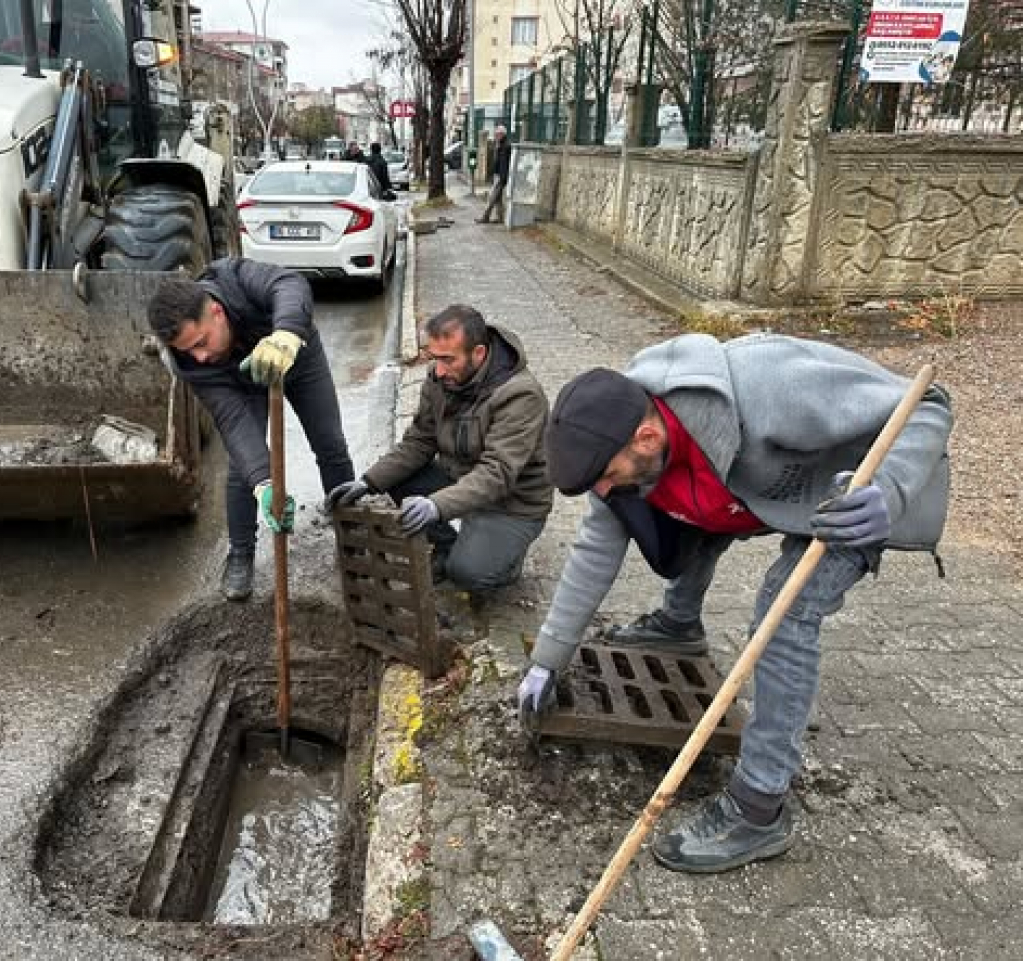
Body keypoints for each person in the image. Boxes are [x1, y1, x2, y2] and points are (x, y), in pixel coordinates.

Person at [518, 333, 952, 873]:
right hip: (757, 496)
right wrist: (548, 659)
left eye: (606, 476)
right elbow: (593, 553)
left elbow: (929, 405)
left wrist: (888, 491)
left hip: (858, 497)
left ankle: (759, 808)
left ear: (648, 437)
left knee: (783, 614)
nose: (602, 492)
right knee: (663, 509)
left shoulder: (771, 385)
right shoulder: (623, 431)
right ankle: (678, 626)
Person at [147, 259, 355, 602]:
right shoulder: (192, 364)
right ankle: (241, 553)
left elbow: (289, 282)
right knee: (243, 469)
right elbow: (234, 422)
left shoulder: (237, 279)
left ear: (216, 312)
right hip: (237, 379)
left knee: (330, 443)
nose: (198, 356)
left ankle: (351, 534)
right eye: (188, 350)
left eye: (201, 342)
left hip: (294, 355)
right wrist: (264, 483)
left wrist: (286, 332)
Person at [325, 305, 552, 591]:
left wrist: (437, 505)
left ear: (478, 354)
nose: (438, 369)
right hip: (460, 479)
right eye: (434, 358)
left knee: (469, 574)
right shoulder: (441, 378)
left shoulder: (519, 395)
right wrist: (367, 482)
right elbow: (419, 441)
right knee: (398, 478)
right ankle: (449, 545)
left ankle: (506, 562)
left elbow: (498, 473)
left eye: (448, 360)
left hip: (510, 503)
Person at [476, 126, 512, 225]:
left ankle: (485, 217)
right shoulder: (501, 144)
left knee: (492, 197)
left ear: (502, 134)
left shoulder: (505, 146)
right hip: (498, 175)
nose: (495, 136)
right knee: (498, 198)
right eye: (495, 134)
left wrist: (502, 177)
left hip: (501, 176)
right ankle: (500, 218)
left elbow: (504, 163)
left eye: (497, 134)